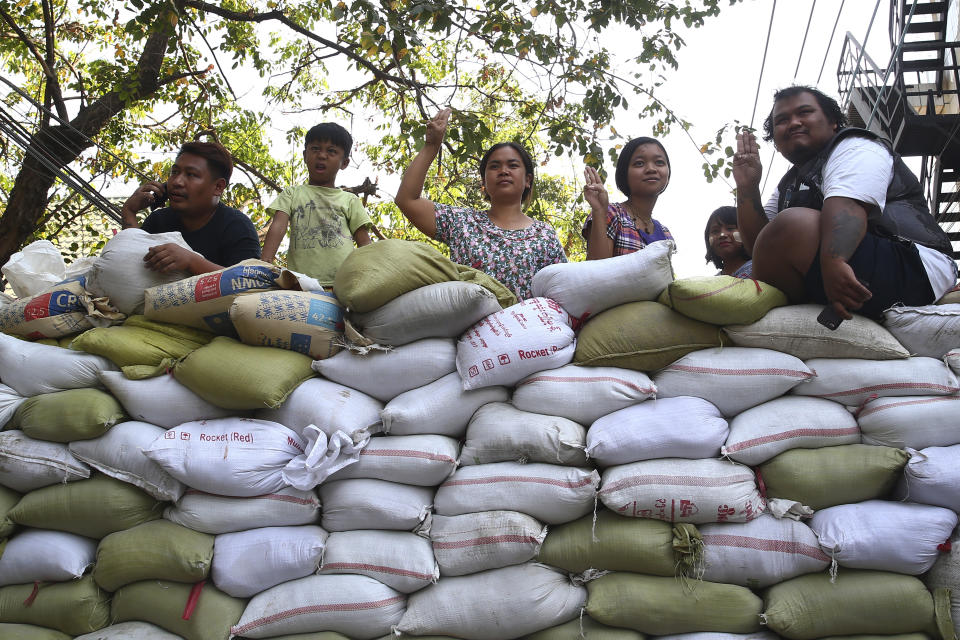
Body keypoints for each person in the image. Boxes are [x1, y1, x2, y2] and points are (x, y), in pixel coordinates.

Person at [732, 85, 957, 320]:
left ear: (833, 123)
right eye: (782, 120)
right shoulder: (789, 185)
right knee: (758, 257)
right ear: (776, 143)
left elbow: (848, 205)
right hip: (845, 262)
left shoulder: (856, 146)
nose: (794, 123)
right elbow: (761, 248)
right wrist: (747, 188)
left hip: (917, 265)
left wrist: (834, 261)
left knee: (792, 225)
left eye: (804, 112)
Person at [394, 108, 567, 300]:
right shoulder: (462, 222)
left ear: (527, 180)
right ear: (483, 182)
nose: (503, 171)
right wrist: (431, 146)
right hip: (469, 328)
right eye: (494, 166)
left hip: (528, 329)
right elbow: (407, 200)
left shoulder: (545, 236)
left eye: (513, 165)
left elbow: (564, 292)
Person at [120, 140, 261, 275]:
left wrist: (192, 261)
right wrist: (129, 211)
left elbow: (249, 280)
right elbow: (132, 268)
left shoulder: (238, 227)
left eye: (191, 175)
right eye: (174, 172)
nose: (177, 182)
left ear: (218, 187)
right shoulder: (159, 220)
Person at [261, 123, 372, 285]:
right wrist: (264, 264)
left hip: (342, 285)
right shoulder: (292, 194)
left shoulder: (350, 200)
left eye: (331, 151)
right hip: (300, 285)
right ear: (305, 155)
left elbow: (365, 243)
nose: (322, 155)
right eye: (315, 149)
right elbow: (278, 227)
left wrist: (369, 276)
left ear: (344, 163)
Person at [582, 137, 674, 260]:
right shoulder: (610, 214)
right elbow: (596, 272)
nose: (651, 169)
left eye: (659, 162)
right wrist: (599, 212)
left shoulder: (665, 234)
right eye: (639, 163)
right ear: (624, 173)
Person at [704, 205, 752, 278]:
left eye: (730, 228)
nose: (722, 235)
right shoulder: (712, 283)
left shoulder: (761, 269)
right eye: (715, 231)